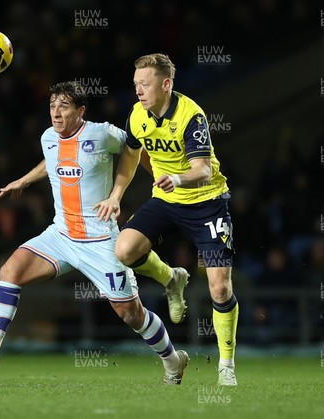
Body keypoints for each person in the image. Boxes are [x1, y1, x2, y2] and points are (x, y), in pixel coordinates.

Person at [0, 81, 189, 384]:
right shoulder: (48, 137)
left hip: (100, 240)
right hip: (61, 235)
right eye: (52, 105)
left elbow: (135, 149)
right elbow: (51, 162)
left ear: (81, 111)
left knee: (131, 316)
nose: (56, 112)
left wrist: (147, 182)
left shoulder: (102, 133)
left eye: (63, 106)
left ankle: (173, 360)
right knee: (10, 270)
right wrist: (24, 180)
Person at [94, 54, 239, 386]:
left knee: (220, 287)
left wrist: (176, 177)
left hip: (208, 204)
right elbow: (132, 155)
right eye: (135, 85)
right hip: (167, 202)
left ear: (166, 84)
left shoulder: (192, 116)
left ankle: (226, 366)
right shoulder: (137, 116)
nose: (138, 91)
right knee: (124, 250)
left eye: (144, 84)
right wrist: (116, 195)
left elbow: (202, 169)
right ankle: (172, 278)